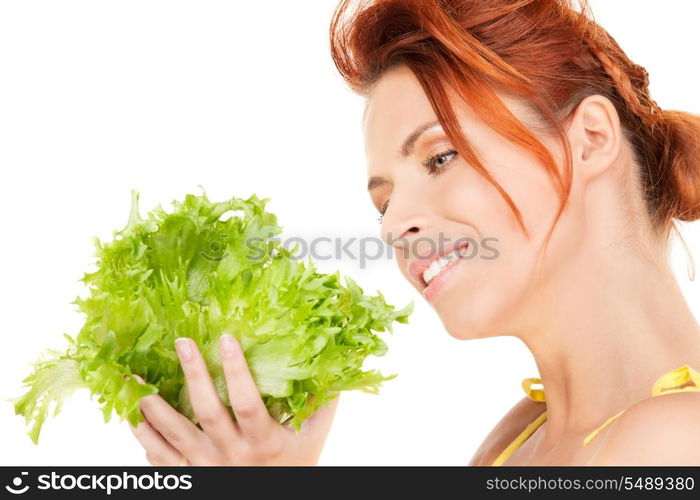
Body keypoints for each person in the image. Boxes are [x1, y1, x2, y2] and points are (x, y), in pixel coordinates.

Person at [129, 0, 700, 465]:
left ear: (592, 138)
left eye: (440, 158)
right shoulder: (520, 440)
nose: (396, 225)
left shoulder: (674, 440)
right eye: (384, 201)